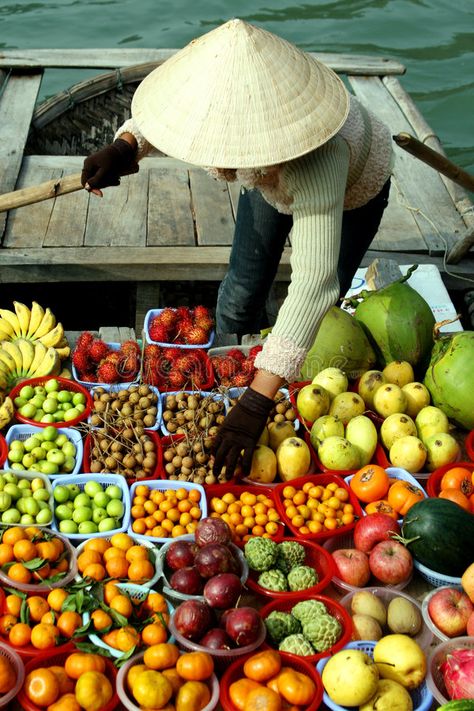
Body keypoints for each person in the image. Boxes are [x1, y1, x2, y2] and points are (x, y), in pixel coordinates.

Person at [81, 19, 393, 479]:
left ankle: (270, 377)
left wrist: (256, 404)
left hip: (351, 190)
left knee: (323, 307)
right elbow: (174, 113)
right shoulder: (234, 117)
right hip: (268, 177)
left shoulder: (319, 158)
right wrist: (126, 147)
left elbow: (313, 283)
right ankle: (227, 368)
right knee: (244, 282)